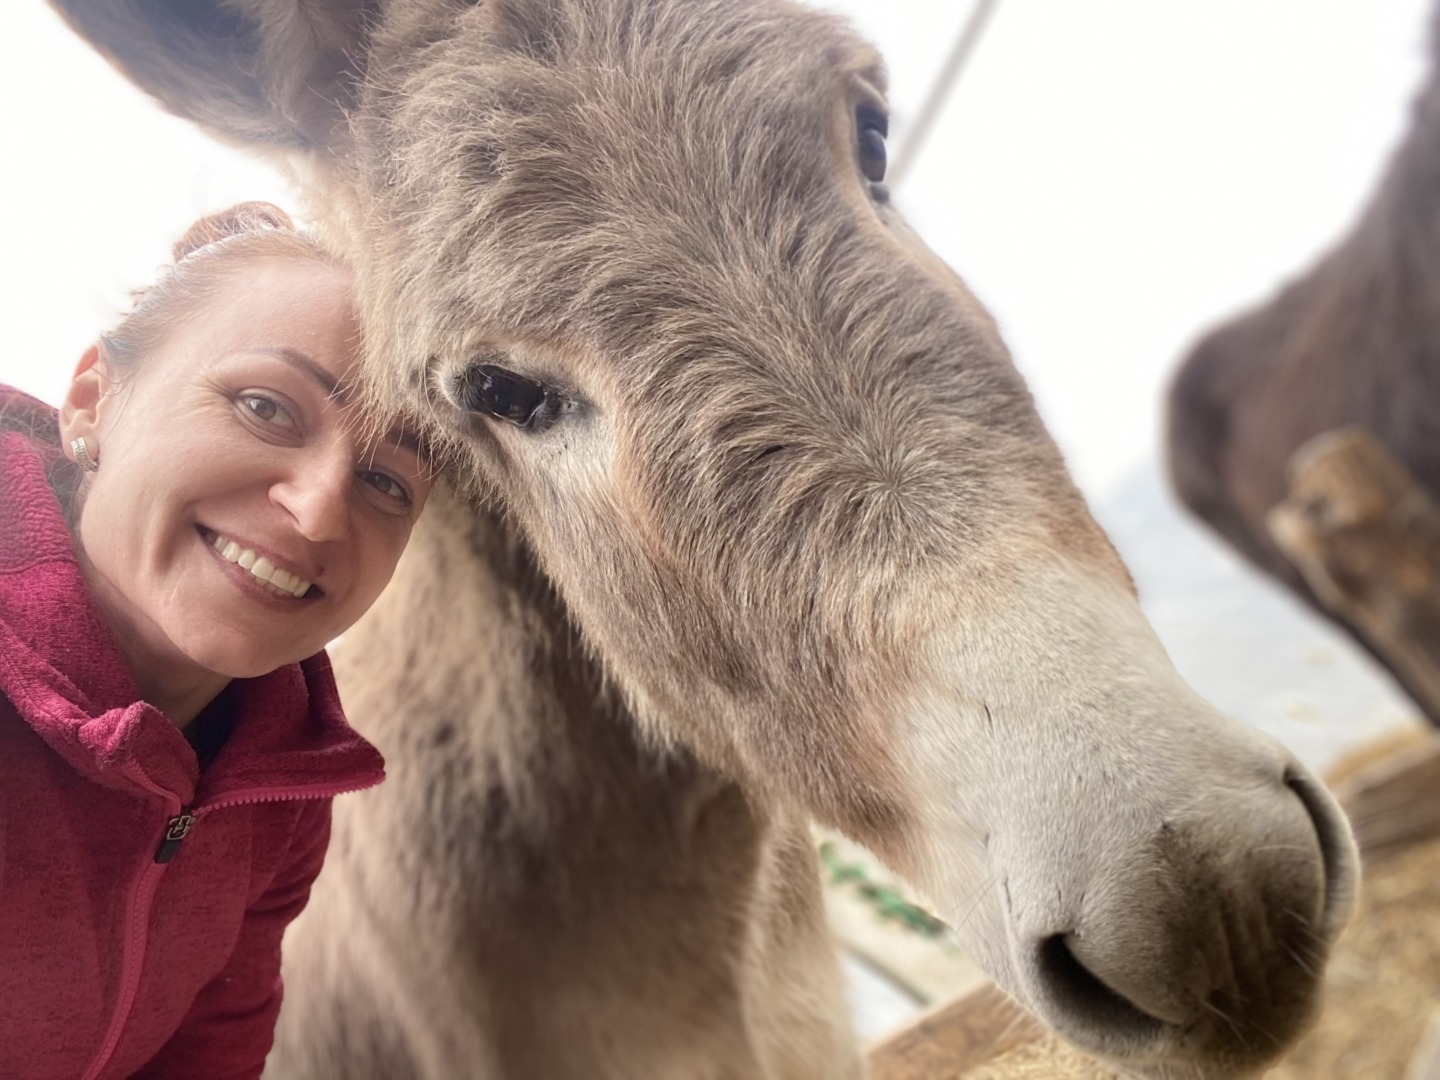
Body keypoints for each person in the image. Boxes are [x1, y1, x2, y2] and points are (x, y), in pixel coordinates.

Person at [0, 202, 433, 1079]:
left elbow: (212, 1047)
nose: (319, 509)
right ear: (94, 400)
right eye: (266, 406)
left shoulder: (279, 782)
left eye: (387, 480)